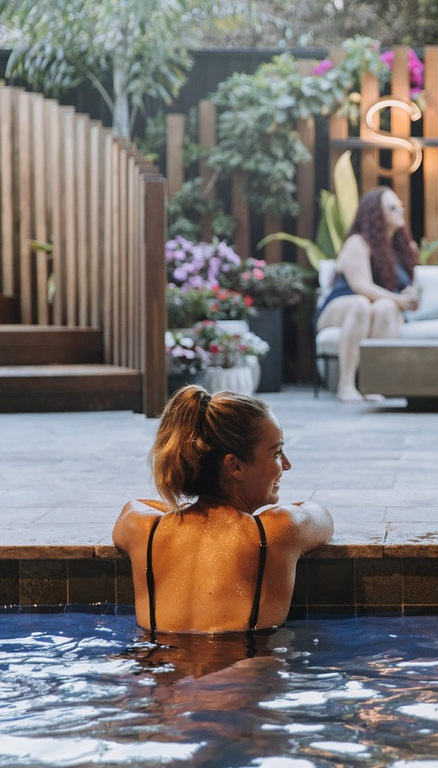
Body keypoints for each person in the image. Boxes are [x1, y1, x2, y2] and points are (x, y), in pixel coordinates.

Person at [112, 385, 334, 635]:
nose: (286, 465)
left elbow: (138, 505)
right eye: (276, 453)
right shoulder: (277, 529)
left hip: (153, 668)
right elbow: (321, 516)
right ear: (235, 467)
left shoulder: (142, 529)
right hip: (241, 670)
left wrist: (189, 511)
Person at [315, 187, 420, 402]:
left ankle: (373, 384)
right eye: (392, 207)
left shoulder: (405, 248)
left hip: (383, 308)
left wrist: (409, 295)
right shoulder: (358, 242)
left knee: (385, 307)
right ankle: (346, 385)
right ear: (375, 213)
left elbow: (406, 285)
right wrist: (399, 299)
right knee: (361, 304)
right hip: (343, 305)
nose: (400, 211)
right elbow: (360, 286)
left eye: (400, 206)